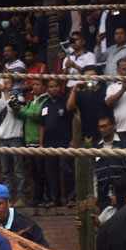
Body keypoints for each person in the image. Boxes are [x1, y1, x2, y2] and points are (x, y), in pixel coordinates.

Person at [0, 77, 26, 205]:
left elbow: (12, 108)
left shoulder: (19, 98)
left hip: (15, 137)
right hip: (2, 139)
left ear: (13, 84)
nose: (5, 85)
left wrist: (5, 93)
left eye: (8, 83)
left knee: (19, 170)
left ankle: (21, 196)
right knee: (5, 172)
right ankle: (7, 198)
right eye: (3, 83)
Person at [39, 79, 74, 207]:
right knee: (51, 172)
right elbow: (42, 124)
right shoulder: (45, 104)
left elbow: (74, 121)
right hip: (49, 144)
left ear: (60, 87)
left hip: (65, 142)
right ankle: (54, 199)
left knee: (68, 171)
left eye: (56, 86)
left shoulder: (66, 102)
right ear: (47, 89)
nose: (54, 89)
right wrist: (41, 143)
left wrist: (73, 139)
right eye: (51, 87)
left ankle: (71, 198)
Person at [19, 79, 50, 205]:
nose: (35, 87)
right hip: (29, 140)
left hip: (40, 140)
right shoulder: (31, 101)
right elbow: (22, 115)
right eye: (34, 85)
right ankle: (37, 197)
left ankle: (45, 197)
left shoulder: (46, 100)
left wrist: (22, 110)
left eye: (38, 84)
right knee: (34, 172)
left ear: (44, 87)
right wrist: (18, 109)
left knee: (43, 171)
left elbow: (36, 114)